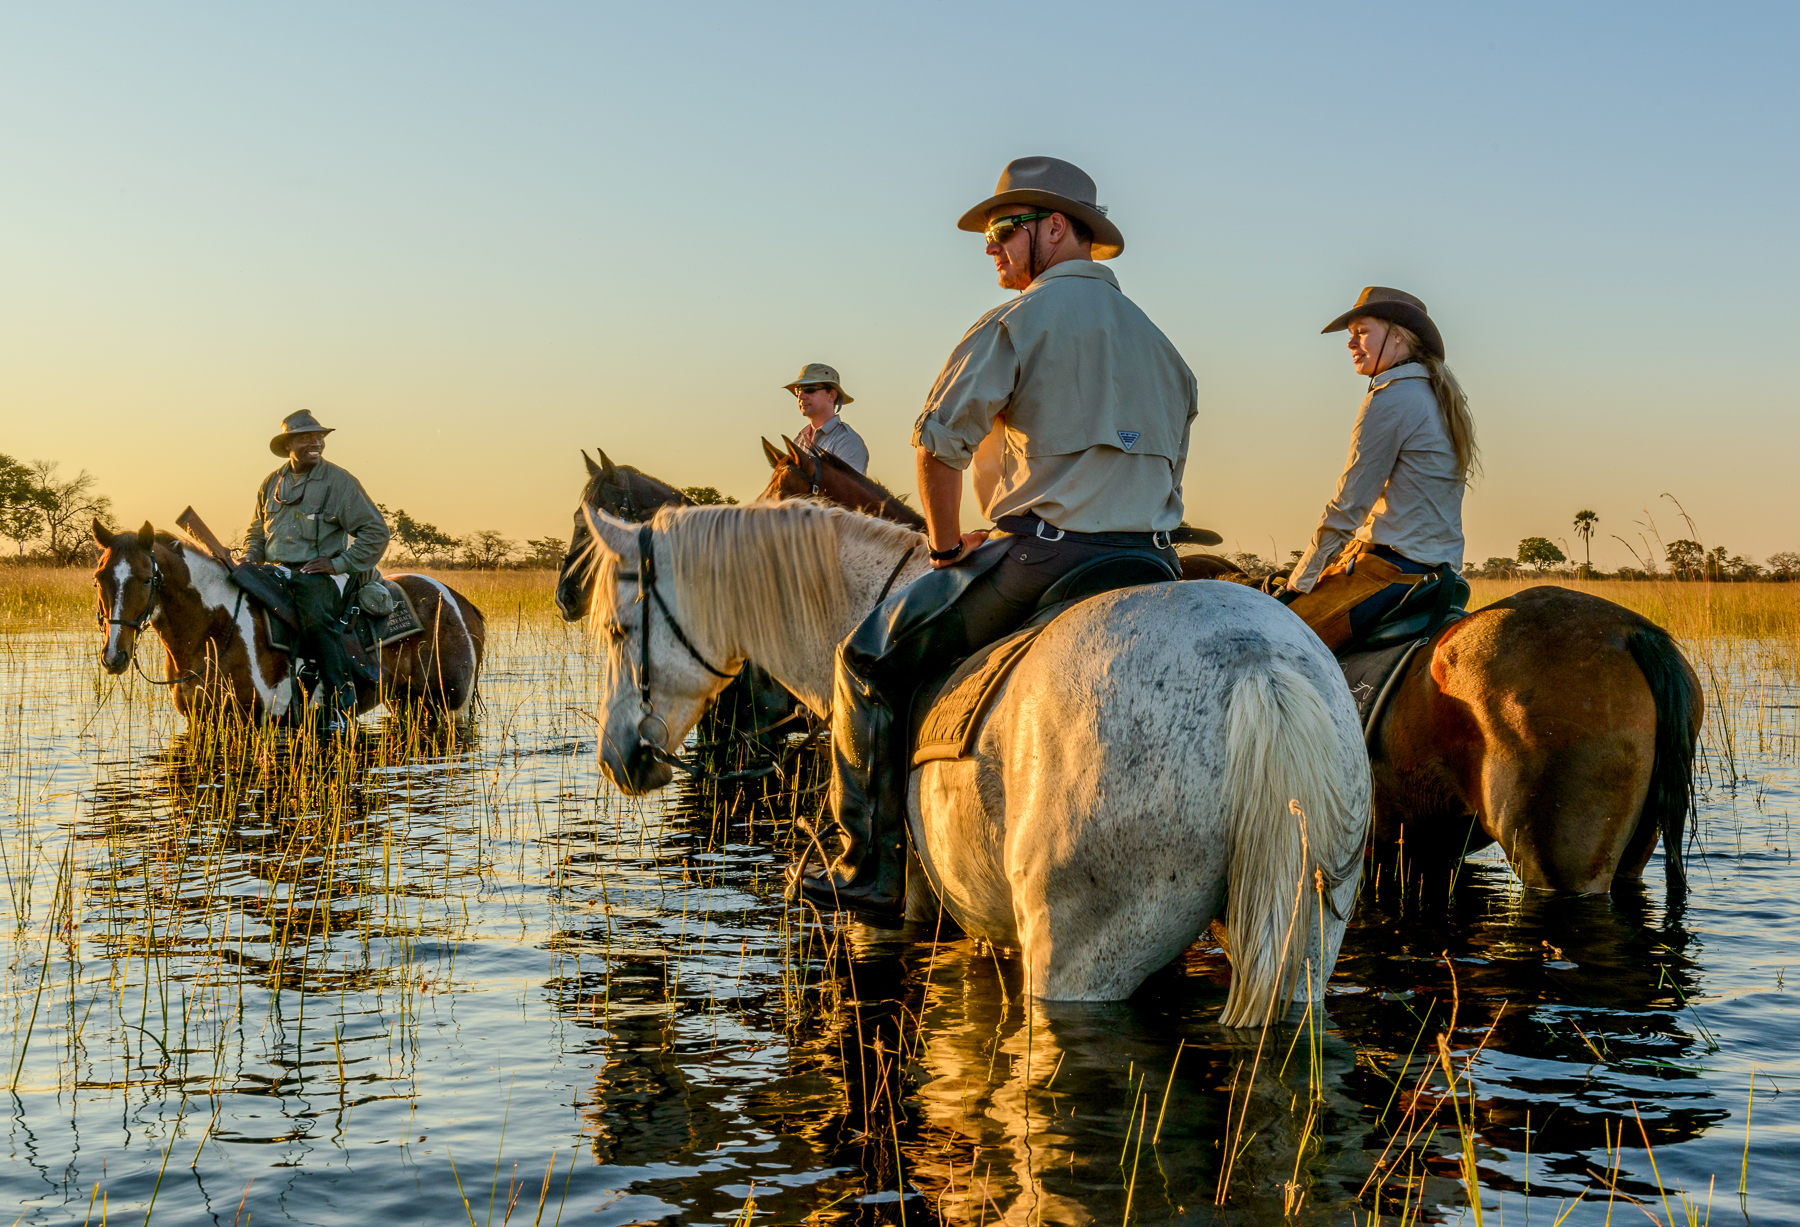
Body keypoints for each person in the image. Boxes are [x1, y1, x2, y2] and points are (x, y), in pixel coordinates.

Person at [795, 156, 1198, 918]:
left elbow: (935, 444)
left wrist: (946, 547)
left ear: (1054, 229)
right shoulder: (1166, 348)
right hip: (1152, 562)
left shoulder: (1016, 322)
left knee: (865, 661)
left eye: (1002, 231)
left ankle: (869, 867)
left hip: (1046, 556)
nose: (991, 248)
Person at [1279, 288, 1477, 651]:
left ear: (1398, 335)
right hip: (1438, 572)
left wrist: (1302, 577)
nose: (1351, 343)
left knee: (1274, 642)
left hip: (1390, 571)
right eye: (1350, 334)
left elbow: (1349, 504)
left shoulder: (1391, 398)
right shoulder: (1439, 395)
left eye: (1362, 331)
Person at [245, 410, 391, 730]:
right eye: (306, 437)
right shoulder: (271, 482)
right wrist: (249, 556)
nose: (317, 442)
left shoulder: (339, 481)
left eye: (319, 436)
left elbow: (376, 532)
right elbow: (257, 531)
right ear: (288, 445)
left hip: (323, 572)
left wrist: (339, 563)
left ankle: (340, 703)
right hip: (278, 570)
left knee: (314, 617)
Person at [783, 363, 870, 474]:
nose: (800, 396)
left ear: (832, 395)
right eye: (798, 390)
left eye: (809, 389)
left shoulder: (848, 441)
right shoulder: (799, 441)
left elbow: (847, 489)